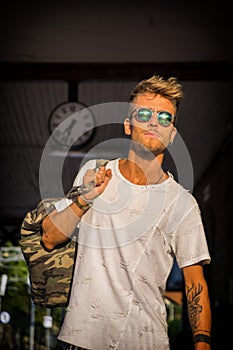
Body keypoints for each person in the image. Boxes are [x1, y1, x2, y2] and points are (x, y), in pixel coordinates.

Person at [42, 74, 212, 350]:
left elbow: (196, 283)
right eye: (144, 113)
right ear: (128, 125)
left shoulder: (183, 204)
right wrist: (84, 200)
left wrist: (203, 344)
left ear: (172, 133)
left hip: (146, 341)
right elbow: (50, 237)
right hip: (80, 338)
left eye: (165, 117)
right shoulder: (94, 173)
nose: (154, 121)